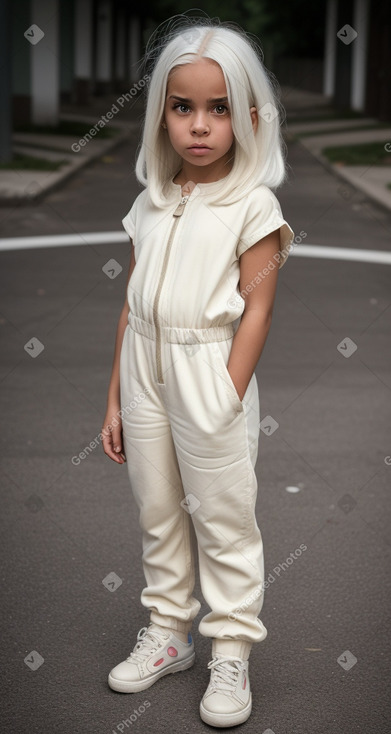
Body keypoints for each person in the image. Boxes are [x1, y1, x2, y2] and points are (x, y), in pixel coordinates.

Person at [102, 14, 294, 729]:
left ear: (248, 118)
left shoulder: (254, 206)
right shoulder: (151, 202)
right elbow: (130, 302)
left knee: (221, 518)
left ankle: (232, 649)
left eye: (218, 109)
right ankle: (168, 633)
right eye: (183, 107)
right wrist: (115, 397)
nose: (199, 125)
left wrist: (225, 393)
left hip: (207, 370)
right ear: (161, 115)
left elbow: (257, 309)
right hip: (142, 368)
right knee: (158, 511)